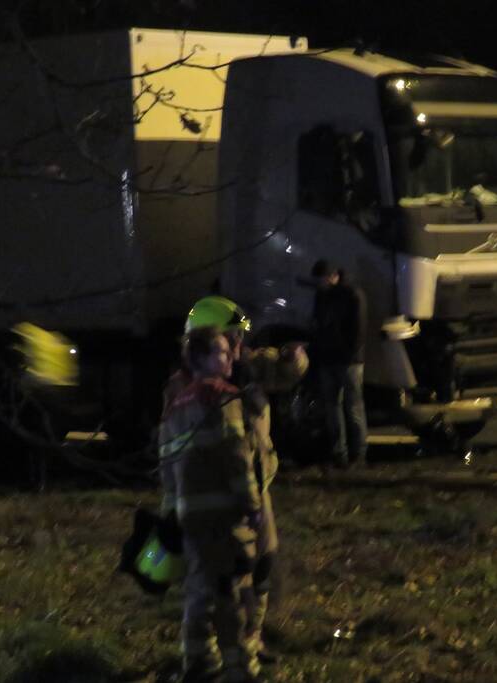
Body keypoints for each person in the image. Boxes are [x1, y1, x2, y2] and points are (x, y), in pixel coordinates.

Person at [161, 296, 307, 680]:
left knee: (261, 566)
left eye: (239, 341)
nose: (239, 349)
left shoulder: (243, 369)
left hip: (252, 491)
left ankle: (242, 646)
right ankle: (228, 661)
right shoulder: (190, 389)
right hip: (228, 498)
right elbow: (229, 451)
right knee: (223, 585)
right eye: (231, 341)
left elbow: (285, 372)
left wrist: (295, 356)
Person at [158, 326, 262, 683]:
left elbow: (167, 466)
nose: (228, 357)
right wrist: (252, 503)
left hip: (191, 514)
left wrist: (172, 511)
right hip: (222, 513)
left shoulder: (175, 407)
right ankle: (239, 669)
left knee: (200, 590)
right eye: (219, 351)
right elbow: (237, 457)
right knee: (231, 592)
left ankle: (198, 663)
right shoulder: (222, 398)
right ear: (200, 359)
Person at [310, 260, 368, 468]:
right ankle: (346, 454)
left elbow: (357, 331)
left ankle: (354, 453)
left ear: (332, 276)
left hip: (346, 360)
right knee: (341, 407)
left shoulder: (351, 295)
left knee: (347, 407)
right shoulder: (343, 294)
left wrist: (345, 353)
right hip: (336, 358)